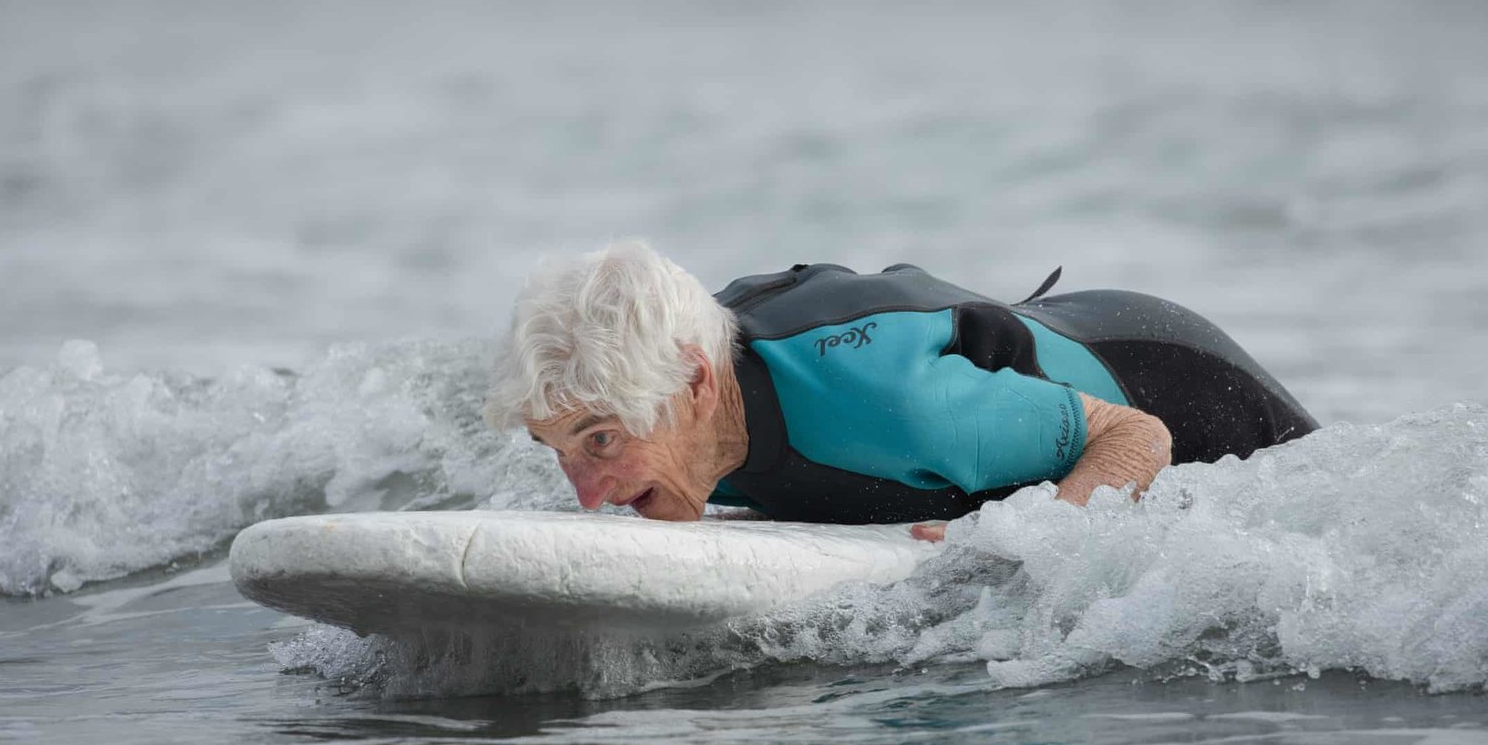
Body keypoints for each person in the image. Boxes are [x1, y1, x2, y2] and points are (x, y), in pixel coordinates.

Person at [485, 242, 1316, 540]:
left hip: (1178, 376)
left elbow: (1138, 439)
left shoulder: (893, 408)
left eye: (599, 442)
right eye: (558, 450)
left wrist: (1031, 540)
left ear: (696, 385)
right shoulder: (674, 410)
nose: (587, 498)